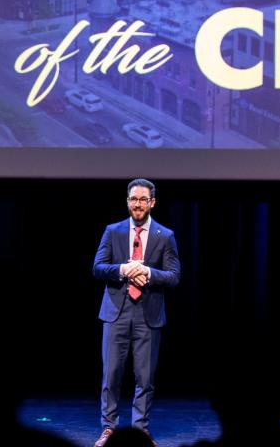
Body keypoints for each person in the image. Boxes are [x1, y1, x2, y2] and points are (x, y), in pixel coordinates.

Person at [93, 179, 181, 447]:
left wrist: (148, 273)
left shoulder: (164, 236)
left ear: (152, 202)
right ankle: (109, 429)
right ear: (127, 201)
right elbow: (98, 267)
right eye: (134, 199)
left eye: (143, 199)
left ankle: (140, 429)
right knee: (111, 375)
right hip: (116, 313)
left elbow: (174, 276)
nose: (138, 204)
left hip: (148, 315)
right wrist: (123, 269)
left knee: (145, 377)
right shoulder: (113, 231)